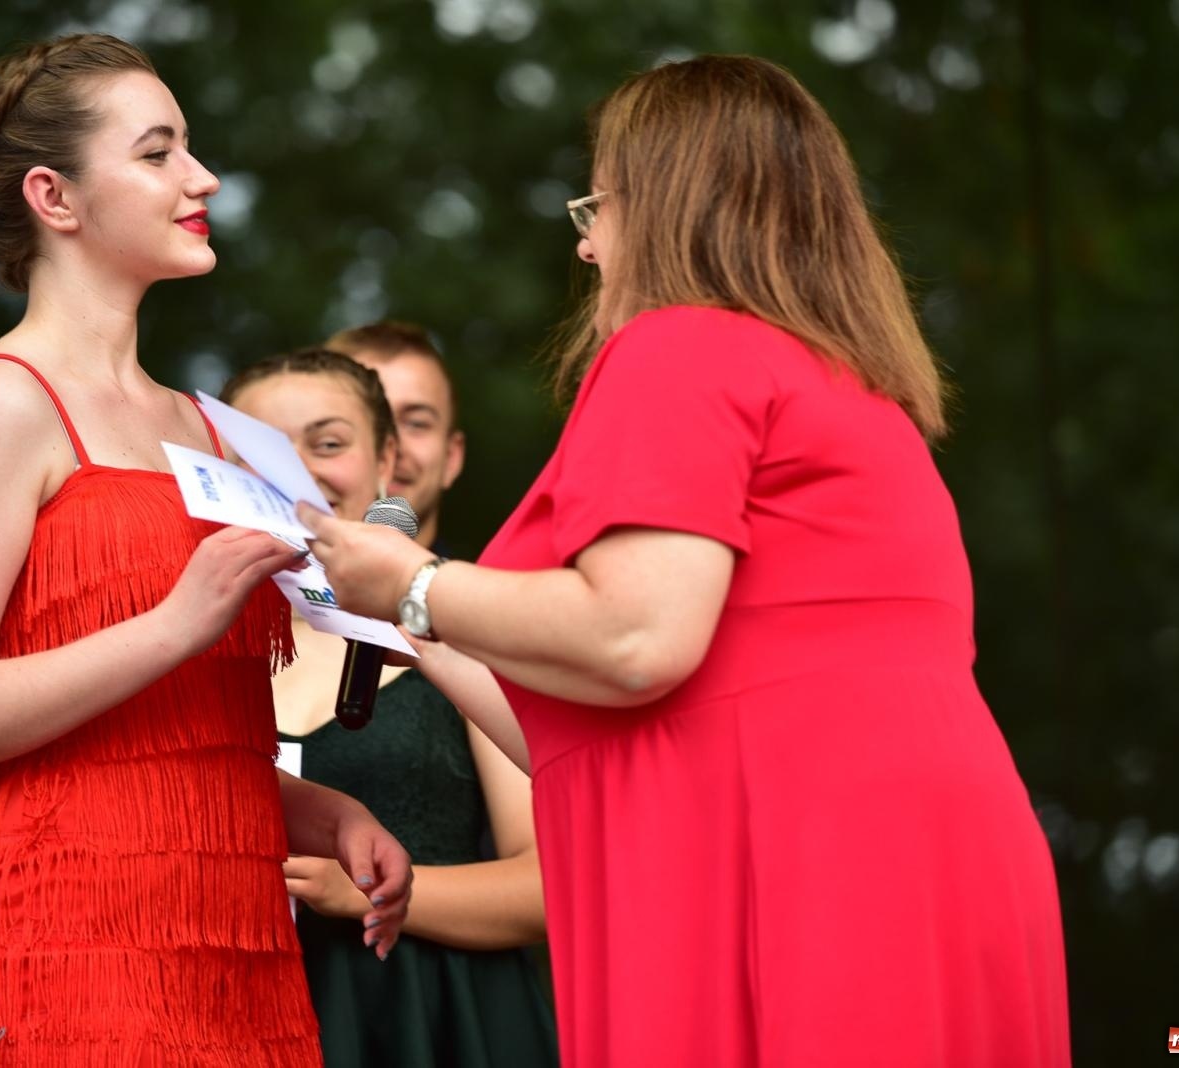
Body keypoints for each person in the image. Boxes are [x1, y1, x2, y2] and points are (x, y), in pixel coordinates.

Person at [297, 55, 1072, 1067]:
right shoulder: (857, 393)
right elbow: (619, 711)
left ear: (663, 204)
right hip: (919, 850)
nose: (584, 243)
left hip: (796, 862)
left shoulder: (680, 345)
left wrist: (412, 578)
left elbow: (634, 637)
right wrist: (415, 622)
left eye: (598, 204)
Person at [0, 34, 410, 1066]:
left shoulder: (212, 428)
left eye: (190, 151)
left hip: (234, 929)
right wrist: (171, 623)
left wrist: (319, 808)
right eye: (158, 153)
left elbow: (170, 738)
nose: (200, 178)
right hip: (66, 932)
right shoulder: (0, 401)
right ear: (55, 197)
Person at [222, 349, 556, 1068]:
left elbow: (554, 884)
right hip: (226, 1018)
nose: (297, 474)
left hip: (434, 1019)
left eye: (328, 443)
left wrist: (370, 896)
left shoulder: (459, 634)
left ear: (386, 467)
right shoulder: (187, 650)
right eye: (261, 451)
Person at [324, 322, 464, 553]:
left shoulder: (480, 589)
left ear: (451, 458)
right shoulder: (251, 587)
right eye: (366, 419)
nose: (390, 447)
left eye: (416, 423)